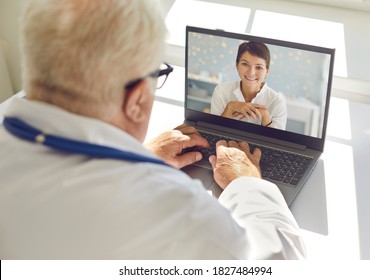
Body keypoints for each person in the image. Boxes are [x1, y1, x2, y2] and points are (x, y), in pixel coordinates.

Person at [0, 0, 305, 259]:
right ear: (136, 100)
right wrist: (247, 185)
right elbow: (277, 262)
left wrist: (137, 160)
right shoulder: (180, 218)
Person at [211, 41, 287, 130]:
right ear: (237, 65)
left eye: (259, 67)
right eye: (245, 64)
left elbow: (276, 142)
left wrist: (266, 117)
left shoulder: (277, 102)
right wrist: (230, 107)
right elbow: (214, 131)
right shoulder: (221, 91)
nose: (251, 73)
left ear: (267, 71)